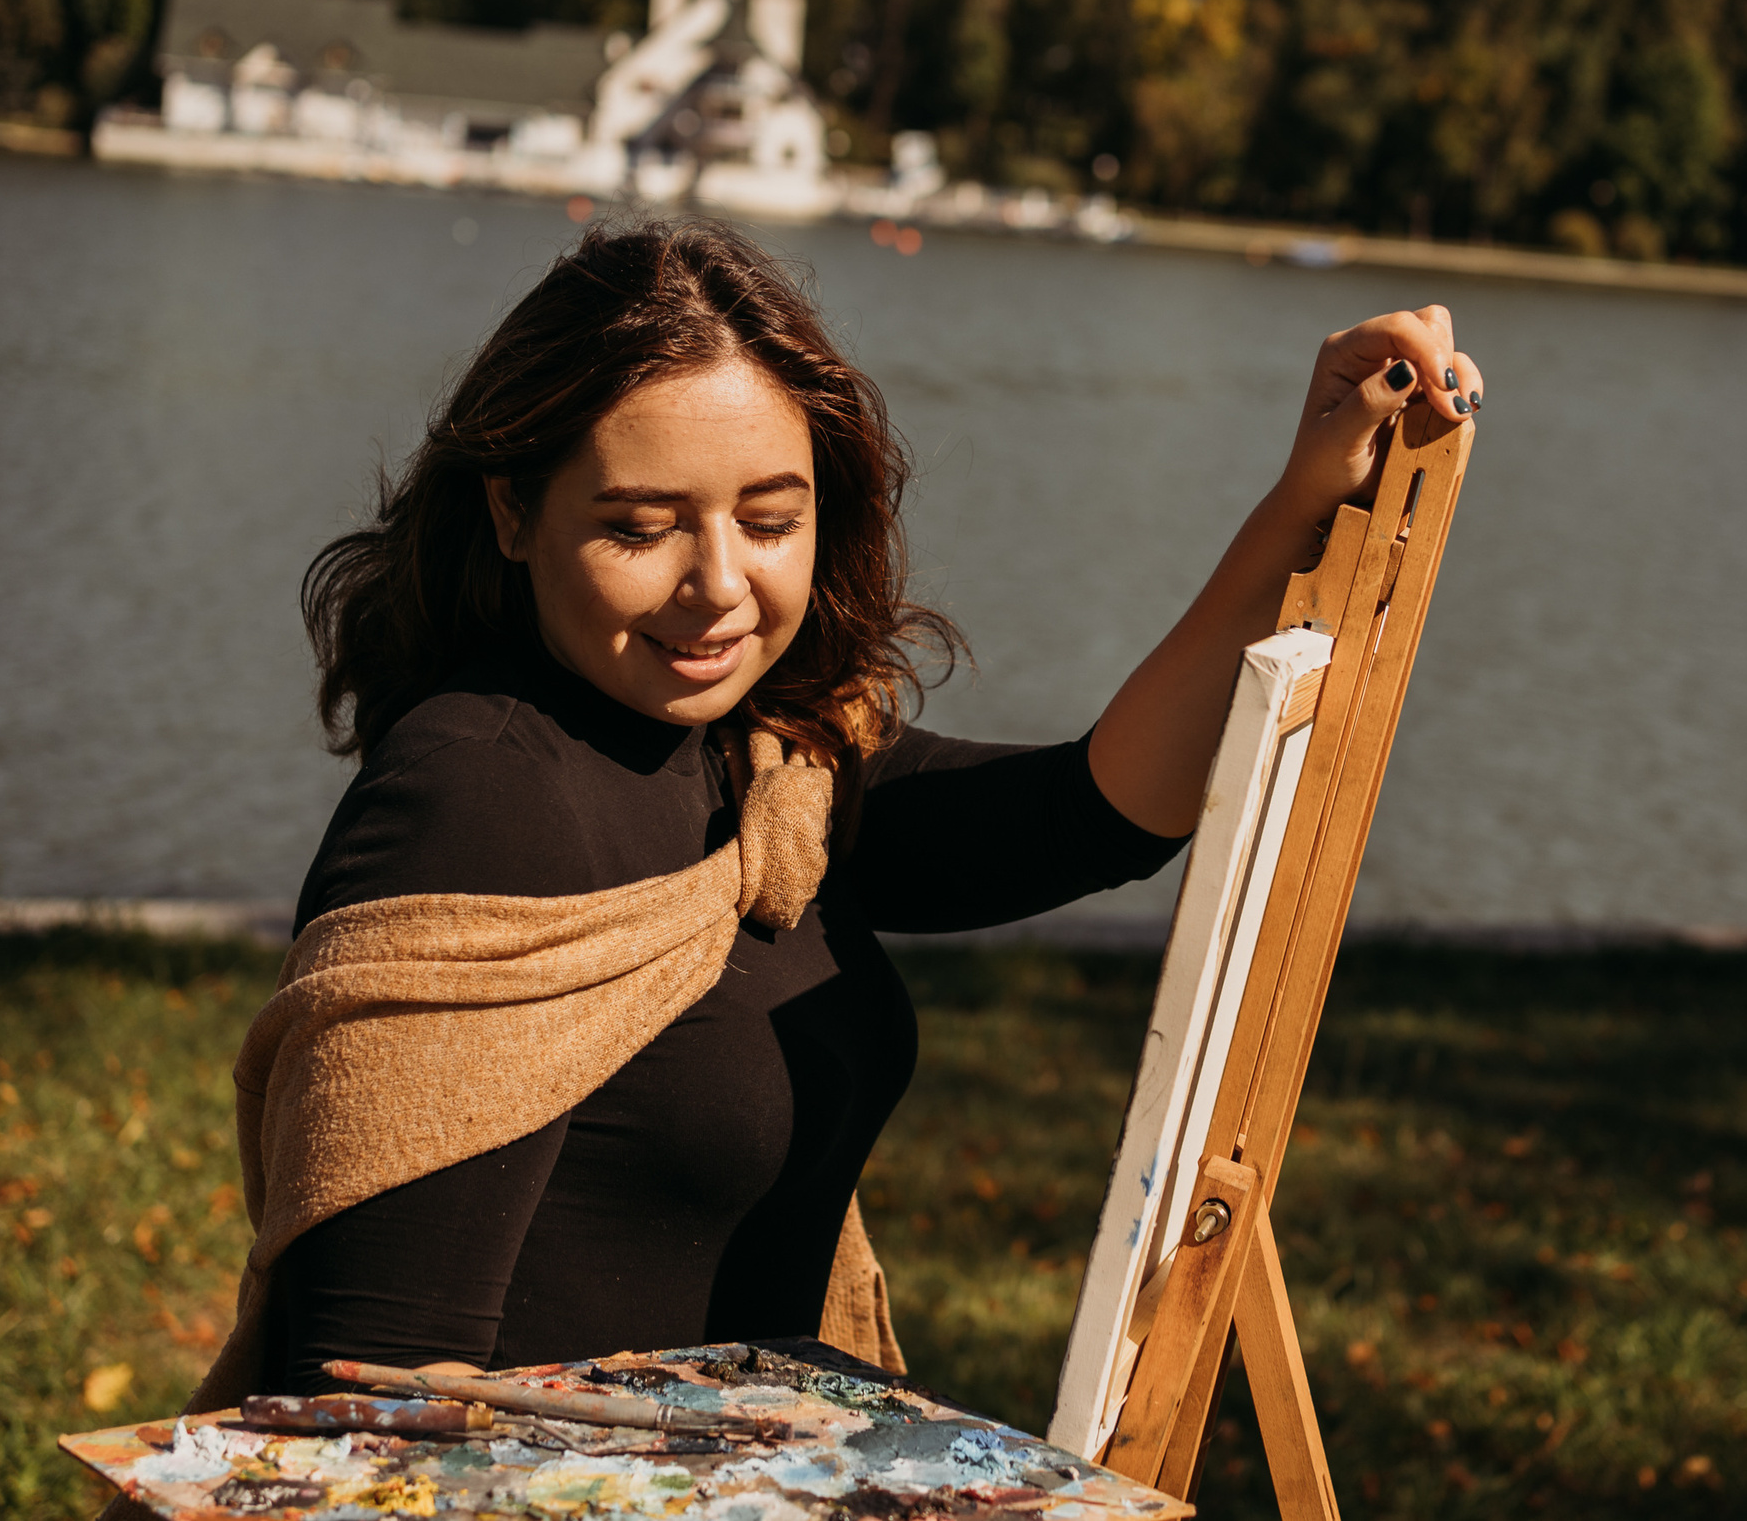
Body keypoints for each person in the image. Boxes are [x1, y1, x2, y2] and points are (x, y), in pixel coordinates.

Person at [225, 215, 1480, 1399]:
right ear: (511, 511)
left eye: (770, 520)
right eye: (640, 527)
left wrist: (1309, 496)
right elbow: (378, 1391)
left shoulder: (772, 769)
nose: (717, 586)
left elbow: (1087, 816)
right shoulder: (479, 791)